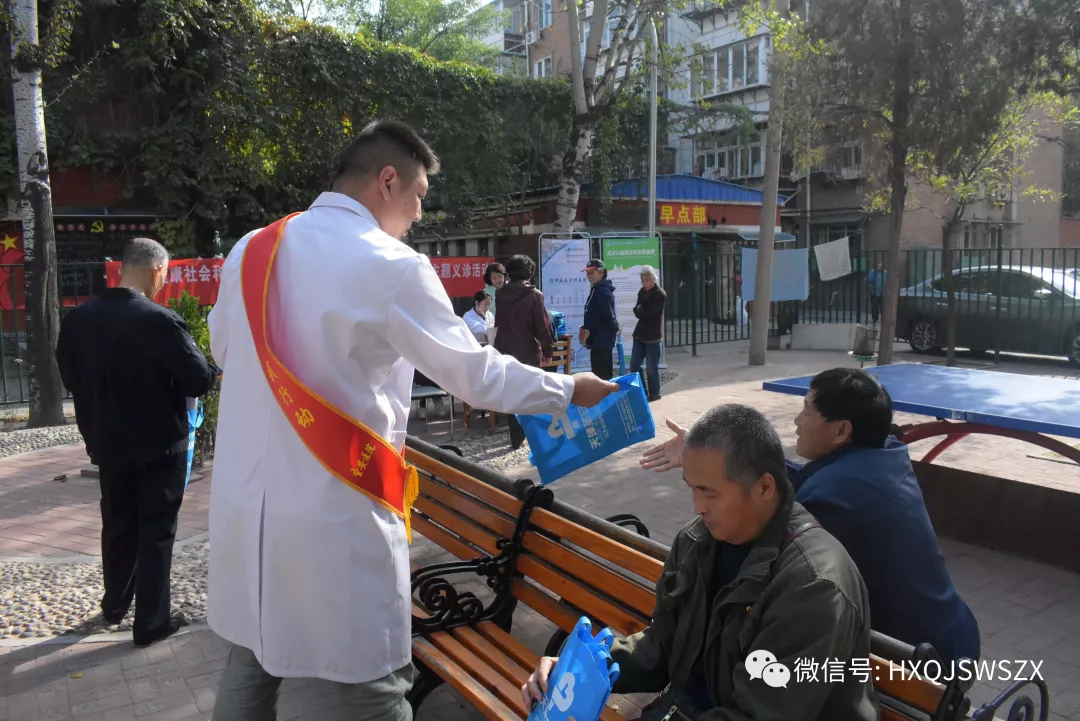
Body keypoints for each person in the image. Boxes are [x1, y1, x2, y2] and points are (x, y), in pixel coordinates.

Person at [206, 119, 618, 721]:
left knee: (251, 657)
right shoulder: (390, 264)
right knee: (373, 684)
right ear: (388, 180)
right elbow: (475, 375)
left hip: (249, 510)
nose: (420, 213)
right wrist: (568, 387)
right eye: (420, 195)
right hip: (335, 510)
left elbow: (223, 350)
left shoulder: (252, 249)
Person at [524, 405, 879, 721]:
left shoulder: (813, 585)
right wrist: (580, 670)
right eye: (691, 488)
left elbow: (758, 712)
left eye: (709, 492)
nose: (697, 507)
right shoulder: (699, 541)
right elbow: (663, 647)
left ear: (765, 488)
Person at [639, 368, 981, 666]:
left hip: (914, 661)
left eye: (806, 411)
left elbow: (760, 571)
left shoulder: (831, 500)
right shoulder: (883, 455)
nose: (797, 421)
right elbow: (806, 477)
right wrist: (716, 459)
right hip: (952, 631)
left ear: (840, 431)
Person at [55, 237, 218, 647]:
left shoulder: (78, 319)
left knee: (118, 523)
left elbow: (69, 374)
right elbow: (199, 378)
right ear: (157, 271)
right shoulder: (158, 320)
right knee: (157, 528)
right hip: (160, 443)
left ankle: (114, 604)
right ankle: (150, 622)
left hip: (107, 443)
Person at [493, 254, 555, 450]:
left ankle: (516, 438)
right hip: (528, 351)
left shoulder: (500, 294)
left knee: (512, 394)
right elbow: (542, 326)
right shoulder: (535, 295)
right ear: (529, 273)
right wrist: (547, 350)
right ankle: (532, 434)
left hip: (505, 351)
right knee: (531, 393)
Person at [630, 265, 665, 401]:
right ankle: (642, 392)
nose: (643, 283)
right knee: (634, 365)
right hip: (639, 334)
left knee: (651, 368)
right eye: (642, 280)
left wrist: (641, 310)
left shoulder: (660, 294)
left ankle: (654, 394)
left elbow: (651, 314)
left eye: (645, 280)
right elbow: (636, 310)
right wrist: (641, 311)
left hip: (653, 336)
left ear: (652, 279)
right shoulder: (641, 292)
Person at [580, 258, 619, 380]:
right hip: (597, 339)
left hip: (602, 340)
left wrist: (615, 328)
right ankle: (601, 398)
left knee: (603, 377)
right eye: (587, 273)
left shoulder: (602, 291)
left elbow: (608, 314)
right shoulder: (596, 289)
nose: (589, 276)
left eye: (592, 272)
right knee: (599, 375)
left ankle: (605, 399)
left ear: (601, 273)